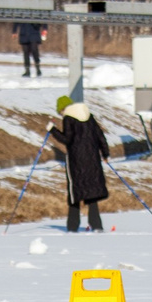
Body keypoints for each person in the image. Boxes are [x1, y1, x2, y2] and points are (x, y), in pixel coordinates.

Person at [45, 93, 109, 233]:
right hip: (93, 159)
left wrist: (52, 130)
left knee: (74, 193)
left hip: (76, 160)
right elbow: (100, 136)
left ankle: (72, 227)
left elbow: (67, 139)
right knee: (92, 192)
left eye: (60, 112)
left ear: (63, 109)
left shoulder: (69, 118)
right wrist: (105, 154)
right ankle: (96, 225)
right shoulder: (88, 115)